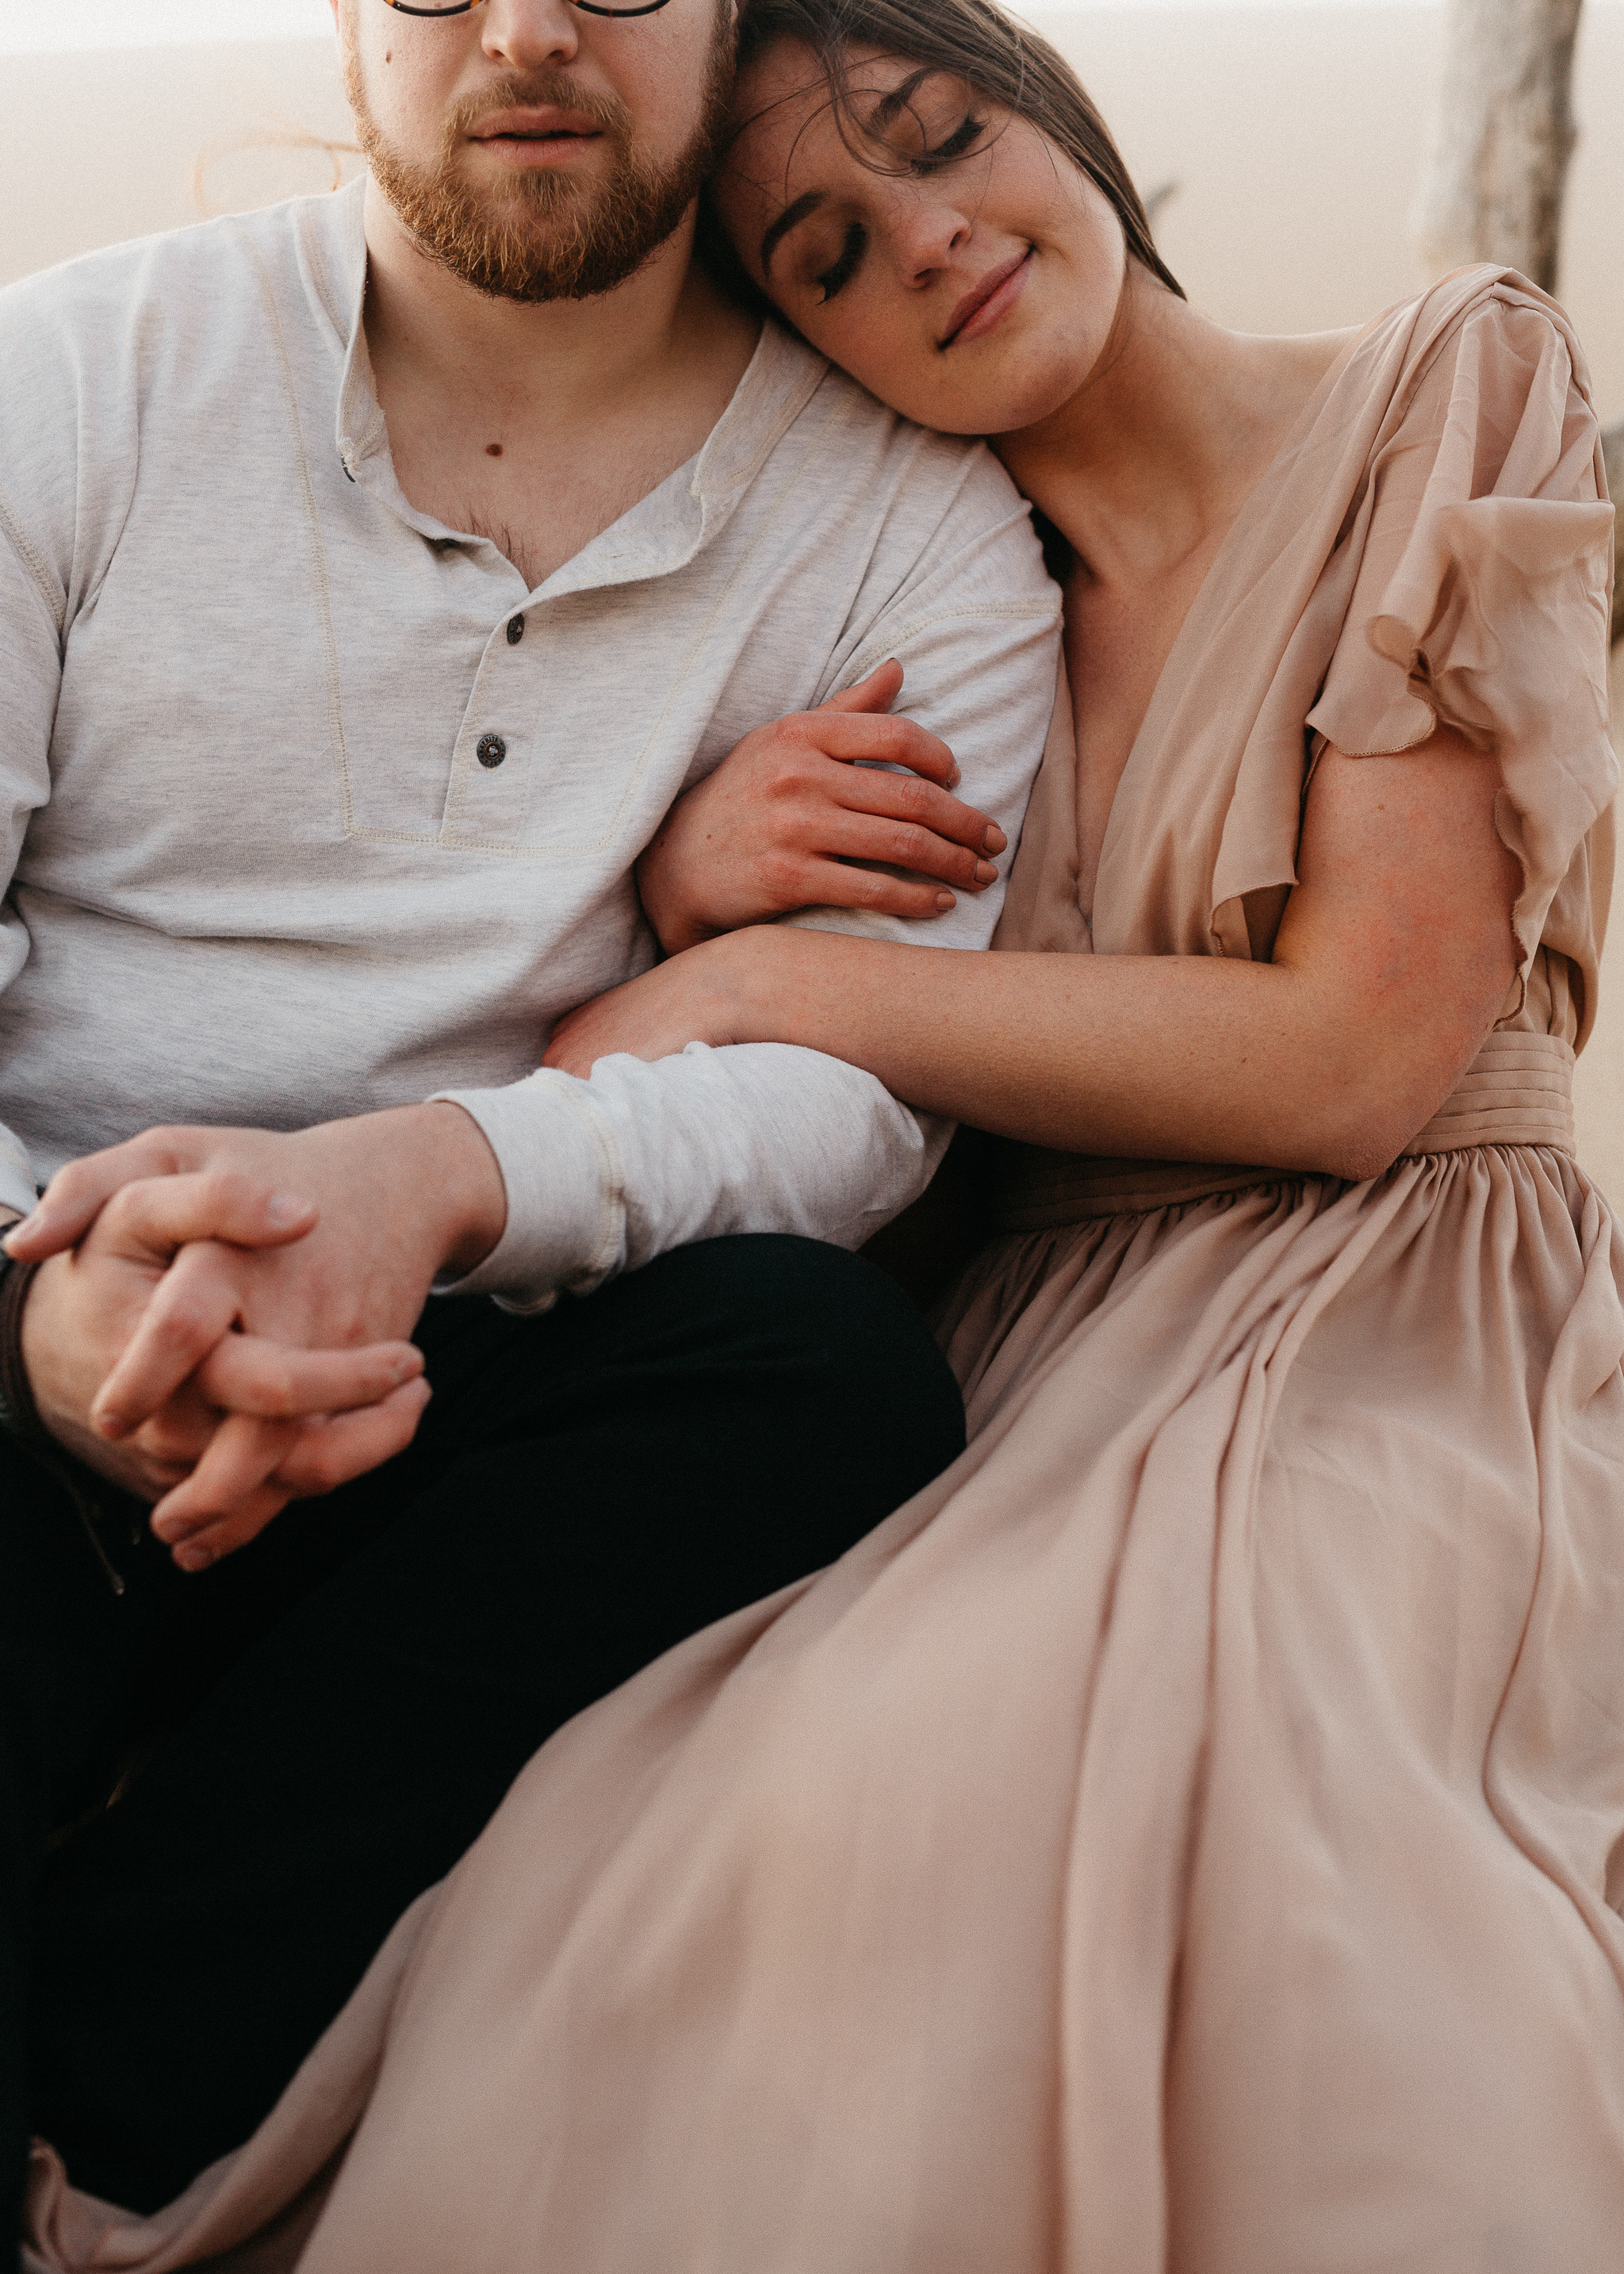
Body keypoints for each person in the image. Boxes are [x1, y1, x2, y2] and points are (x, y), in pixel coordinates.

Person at [20, 1, 1624, 2270]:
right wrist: (679, 884)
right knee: (701, 1776)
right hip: (976, 1315)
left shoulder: (1344, 409)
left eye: (949, 140)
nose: (933, 248)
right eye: (830, 251)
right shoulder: (910, 586)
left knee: (1009, 1619)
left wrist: (743, 975)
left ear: (1049, 98)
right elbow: (871, 1057)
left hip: (1363, 1298)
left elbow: (1356, 1054)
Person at [0, 0, 1066, 2245]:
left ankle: (96, 2084)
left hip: (476, 1352)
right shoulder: (74, 377)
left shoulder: (912, 532)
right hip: (35, 1298)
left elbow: (859, 1092)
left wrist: (447, 1177)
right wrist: (60, 1306)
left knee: (826, 1369)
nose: (532, 30)